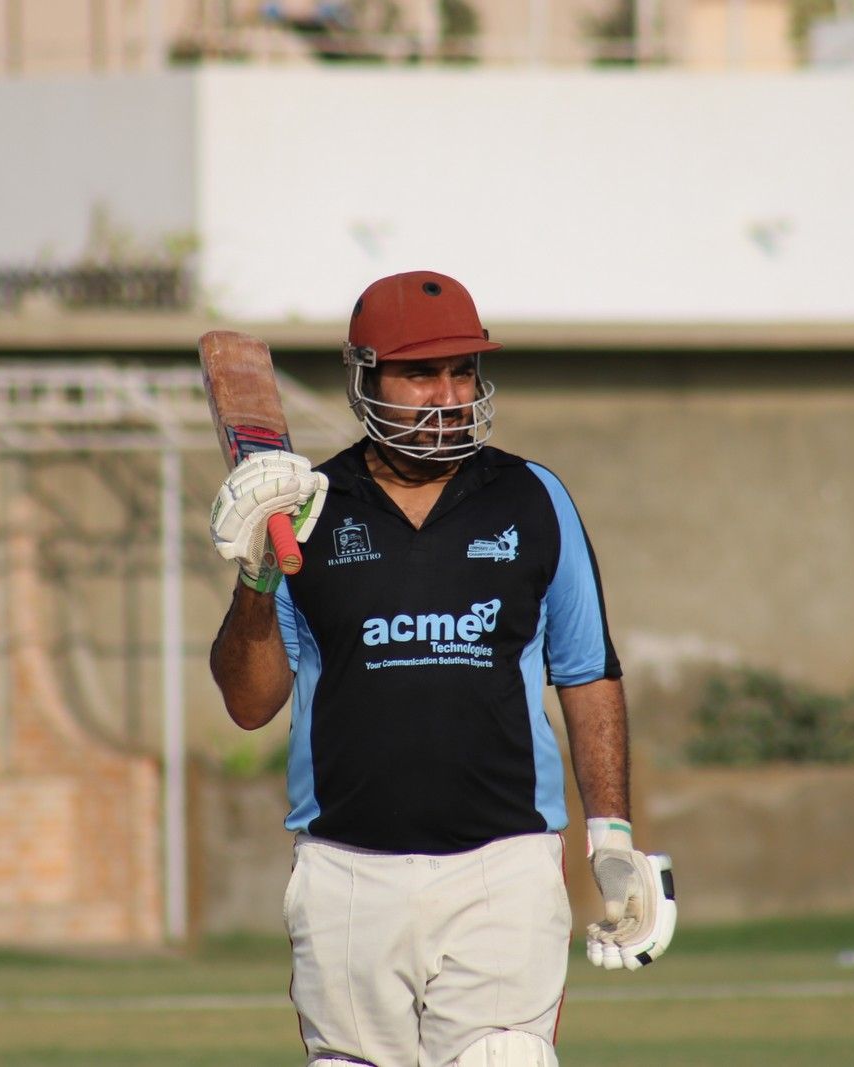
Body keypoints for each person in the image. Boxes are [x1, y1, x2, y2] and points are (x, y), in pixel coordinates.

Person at [207, 270, 673, 1067]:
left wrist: (613, 835)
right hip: (347, 869)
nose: (449, 395)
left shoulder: (534, 497)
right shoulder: (308, 507)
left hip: (503, 865)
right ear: (365, 377)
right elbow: (250, 702)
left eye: (463, 370)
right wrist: (257, 574)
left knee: (505, 1057)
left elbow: (587, 669)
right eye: (421, 372)